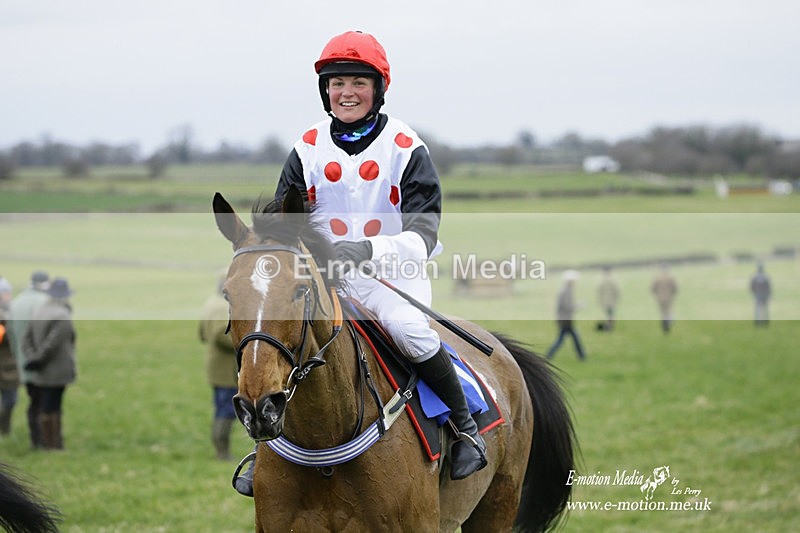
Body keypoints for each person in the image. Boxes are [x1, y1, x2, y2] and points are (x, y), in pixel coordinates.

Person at [234, 30, 486, 496]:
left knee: (410, 332)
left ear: (378, 89)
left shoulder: (407, 146)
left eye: (357, 82)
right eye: (336, 83)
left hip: (391, 278)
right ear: (325, 91)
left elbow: (425, 232)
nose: (346, 92)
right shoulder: (306, 147)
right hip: (321, 282)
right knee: (275, 340)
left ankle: (465, 426)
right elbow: (282, 222)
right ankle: (265, 449)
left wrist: (369, 251)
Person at [22, 278, 77, 450]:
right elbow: (53, 343)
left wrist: (33, 358)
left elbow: (27, 338)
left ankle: (44, 441)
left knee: (44, 404)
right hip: (57, 369)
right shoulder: (62, 315)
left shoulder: (38, 311)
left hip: (40, 369)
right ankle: (54, 444)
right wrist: (39, 358)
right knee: (53, 406)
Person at [7, 270, 50, 448]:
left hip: (21, 360)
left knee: (33, 401)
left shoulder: (16, 302)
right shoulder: (43, 302)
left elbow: (9, 334)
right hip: (41, 362)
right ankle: (42, 440)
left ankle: (36, 439)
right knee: (43, 403)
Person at [199, 271, 237, 460]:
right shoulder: (223, 307)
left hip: (216, 366)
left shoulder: (211, 303)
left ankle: (221, 449)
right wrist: (244, 342)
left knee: (222, 407)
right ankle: (222, 451)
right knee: (226, 409)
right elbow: (219, 335)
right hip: (226, 370)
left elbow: (203, 334)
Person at [546, 270, 586, 361]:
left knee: (570, 338)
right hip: (565, 319)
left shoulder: (566, 290)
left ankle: (581, 356)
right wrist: (579, 305)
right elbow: (567, 306)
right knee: (563, 339)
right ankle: (581, 356)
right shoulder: (566, 291)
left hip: (564, 319)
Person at [0, 277, 19, 436]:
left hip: (10, 366)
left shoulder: (12, 311)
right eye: (5, 292)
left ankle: (5, 430)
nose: (8, 295)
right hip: (6, 365)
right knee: (8, 400)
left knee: (10, 400)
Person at [651, 263, 678, 334]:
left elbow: (653, 288)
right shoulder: (671, 278)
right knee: (668, 311)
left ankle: (664, 325)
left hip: (660, 298)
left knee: (662, 312)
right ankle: (668, 324)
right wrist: (673, 295)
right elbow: (675, 288)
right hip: (669, 297)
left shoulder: (657, 278)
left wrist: (656, 295)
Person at [596, 266, 620, 331]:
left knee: (608, 314)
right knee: (611, 315)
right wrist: (617, 299)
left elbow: (599, 292)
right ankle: (609, 327)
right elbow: (616, 291)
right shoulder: (613, 280)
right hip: (612, 301)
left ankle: (608, 327)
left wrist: (600, 301)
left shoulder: (602, 281)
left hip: (605, 301)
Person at [750, 261, 772, 327]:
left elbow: (751, 287)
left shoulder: (755, 277)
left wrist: (754, 293)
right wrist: (769, 295)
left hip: (758, 295)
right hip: (764, 295)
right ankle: (765, 322)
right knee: (764, 309)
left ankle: (758, 322)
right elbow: (769, 287)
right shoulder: (765, 277)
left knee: (758, 309)